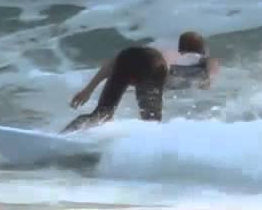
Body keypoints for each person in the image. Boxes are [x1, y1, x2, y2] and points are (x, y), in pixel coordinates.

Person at [61, 31, 220, 133]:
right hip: (151, 63)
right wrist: (210, 80)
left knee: (102, 113)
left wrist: (88, 89)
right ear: (202, 50)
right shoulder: (197, 59)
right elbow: (212, 63)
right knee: (151, 123)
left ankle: (65, 135)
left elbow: (112, 62)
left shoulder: (170, 51)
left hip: (128, 56)